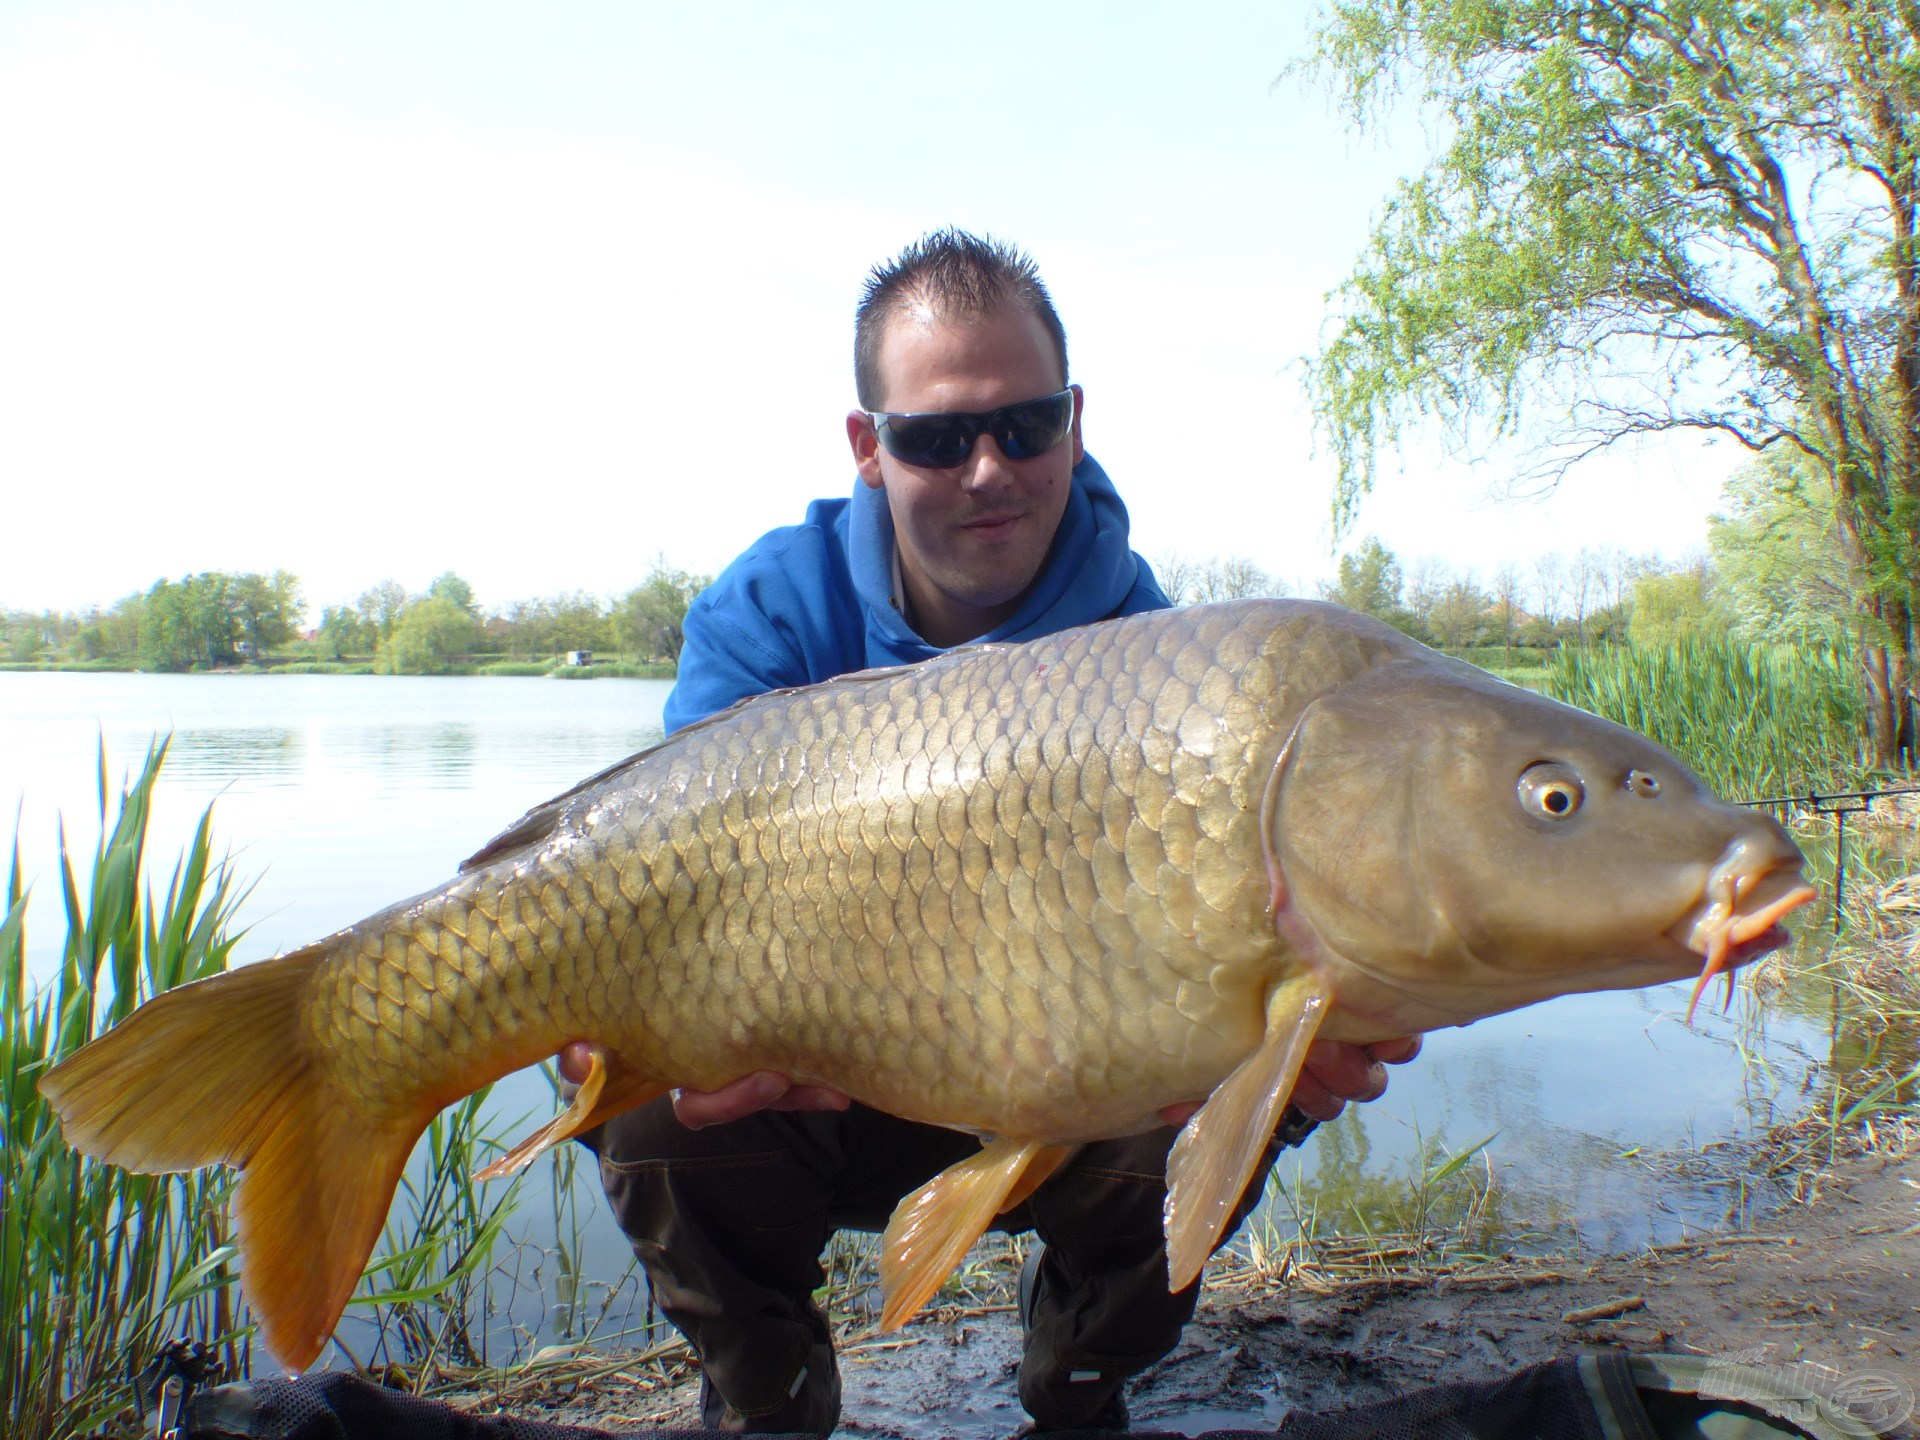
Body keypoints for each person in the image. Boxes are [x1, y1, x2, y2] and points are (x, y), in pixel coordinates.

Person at [566, 229, 1420, 1435]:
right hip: (819, 1082)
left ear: (1075, 422)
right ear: (868, 448)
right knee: (643, 1098)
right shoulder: (770, 612)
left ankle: (1078, 1370)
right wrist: (603, 1028)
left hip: (1057, 1073)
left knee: (1216, 1062)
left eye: (1024, 428)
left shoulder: (1151, 647)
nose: (987, 471)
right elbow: (664, 888)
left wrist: (1292, 1036)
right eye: (934, 436)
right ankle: (769, 1396)